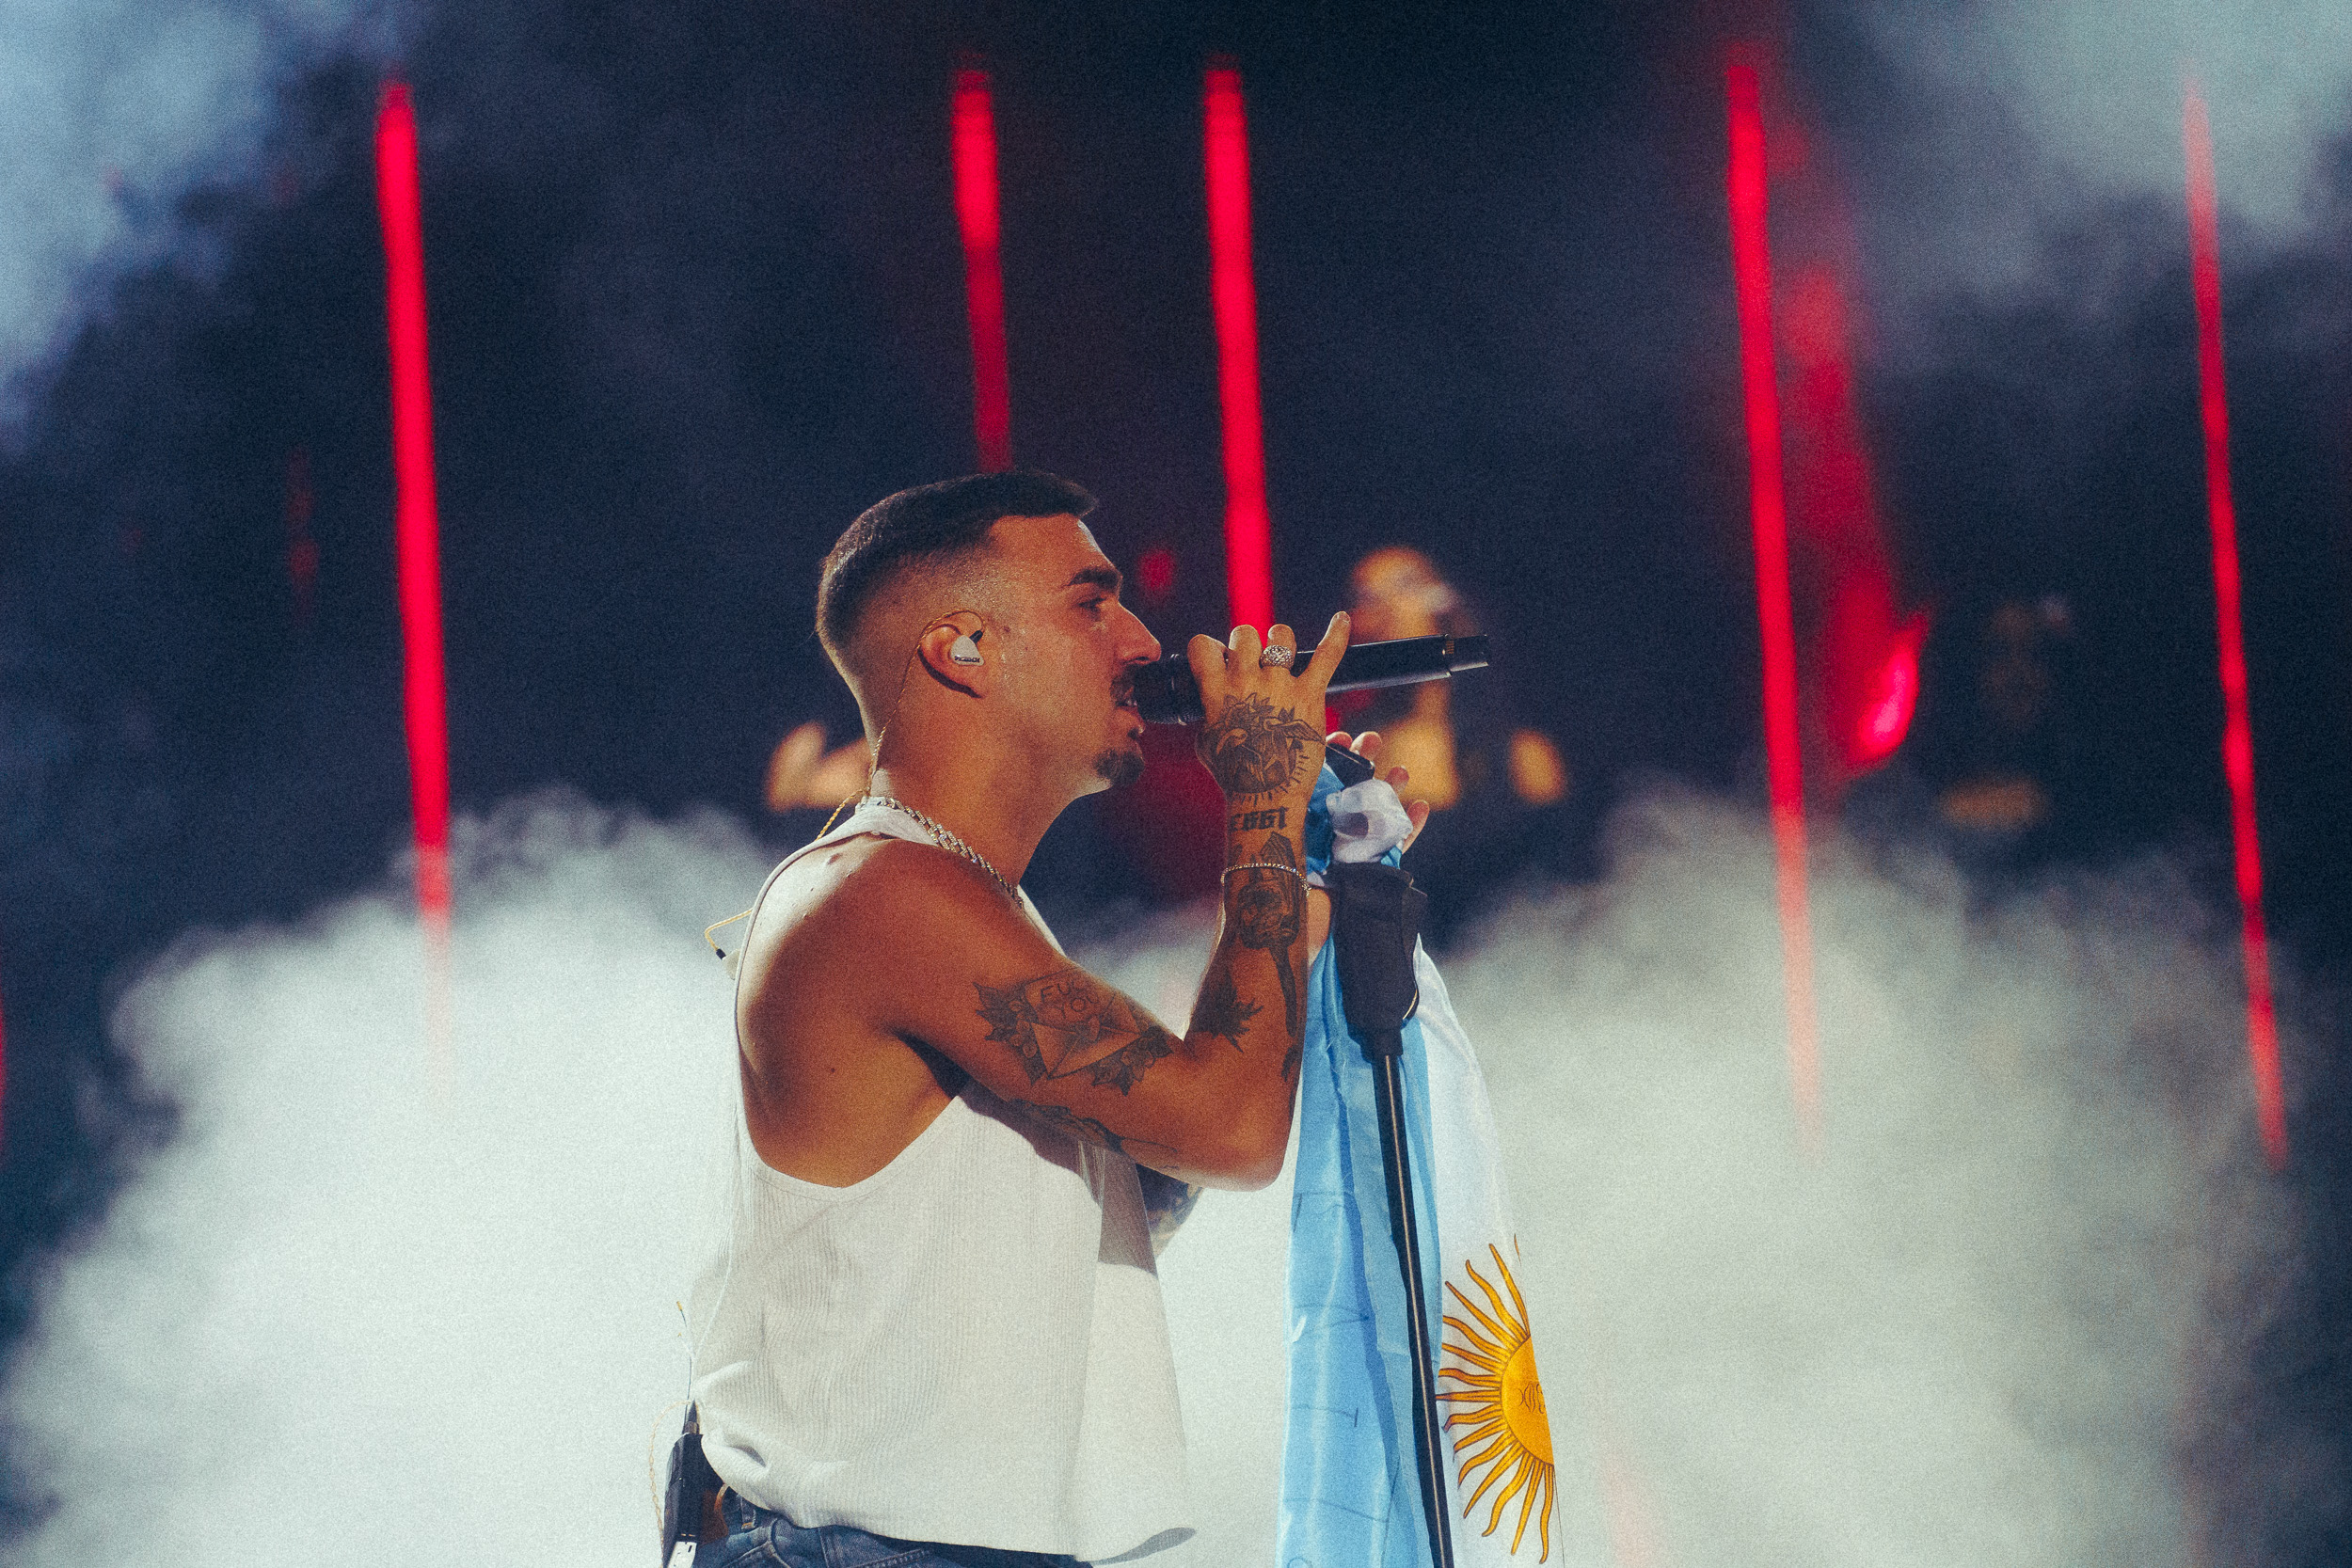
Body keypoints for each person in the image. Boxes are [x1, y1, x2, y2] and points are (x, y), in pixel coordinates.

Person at [686, 471, 1423, 1568]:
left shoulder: (964, 899)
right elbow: (1229, 1125)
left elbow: (1154, 1172)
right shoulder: (883, 894)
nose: (1140, 640)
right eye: (1092, 601)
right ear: (961, 646)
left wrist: (1306, 892)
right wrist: (1261, 807)